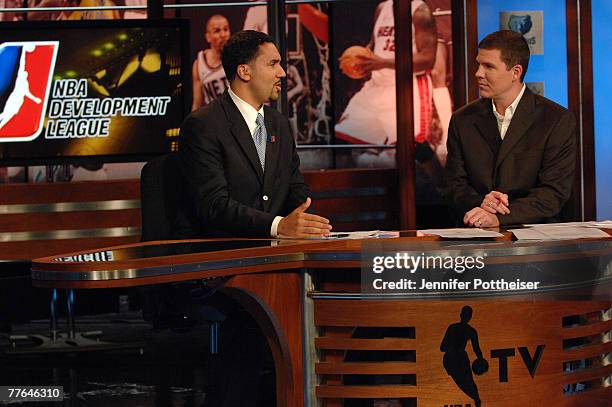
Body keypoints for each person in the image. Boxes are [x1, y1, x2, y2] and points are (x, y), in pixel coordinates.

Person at [179, 30, 332, 239]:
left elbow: (294, 187)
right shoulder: (203, 125)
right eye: (273, 64)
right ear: (244, 71)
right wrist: (278, 225)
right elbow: (214, 205)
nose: (282, 73)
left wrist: (310, 225)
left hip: (281, 251)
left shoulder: (279, 123)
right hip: (226, 255)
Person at [443, 30, 576, 227]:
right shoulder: (462, 120)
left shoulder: (555, 120)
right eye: (478, 64)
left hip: (534, 237)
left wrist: (499, 216)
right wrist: (482, 206)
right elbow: (454, 185)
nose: (478, 73)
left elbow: (553, 193)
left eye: (489, 66)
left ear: (515, 72)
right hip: (475, 232)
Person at [335, 0, 437, 168]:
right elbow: (374, 47)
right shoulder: (382, 8)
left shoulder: (420, 11)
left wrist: (382, 63)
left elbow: (427, 60)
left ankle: (446, 189)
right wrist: (358, 59)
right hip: (377, 85)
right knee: (343, 140)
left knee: (415, 148)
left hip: (407, 86)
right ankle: (354, 191)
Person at [440, 306, 485, 407]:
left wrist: (481, 360)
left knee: (467, 382)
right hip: (453, 359)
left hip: (457, 359)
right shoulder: (461, 329)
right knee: (465, 382)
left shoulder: (466, 330)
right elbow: (442, 347)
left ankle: (477, 400)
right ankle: (476, 399)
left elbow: (476, 349)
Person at [191, 14, 231, 111]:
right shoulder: (200, 63)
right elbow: (197, 103)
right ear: (208, 37)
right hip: (214, 120)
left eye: (226, 29)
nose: (223, 35)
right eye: (217, 31)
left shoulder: (238, 57)